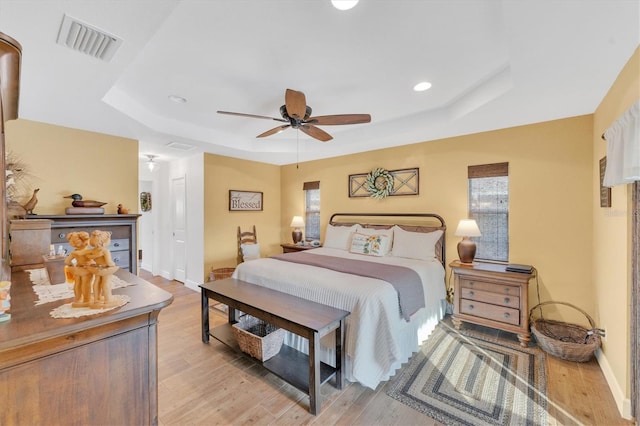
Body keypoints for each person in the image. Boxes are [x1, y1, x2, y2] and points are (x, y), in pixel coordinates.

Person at [85, 230, 119, 308]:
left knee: (96, 283)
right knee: (106, 283)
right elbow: (109, 262)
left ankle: (97, 299)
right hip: (105, 269)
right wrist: (113, 264)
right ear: (104, 242)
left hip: (97, 268)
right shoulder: (105, 251)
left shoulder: (93, 250)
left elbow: (89, 257)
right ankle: (108, 300)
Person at [64, 231, 94, 307]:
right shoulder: (88, 251)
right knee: (86, 284)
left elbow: (67, 261)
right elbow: (94, 261)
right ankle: (86, 299)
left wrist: (72, 265)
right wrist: (91, 263)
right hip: (86, 270)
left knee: (77, 284)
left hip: (77, 270)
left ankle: (78, 299)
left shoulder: (74, 252)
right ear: (86, 241)